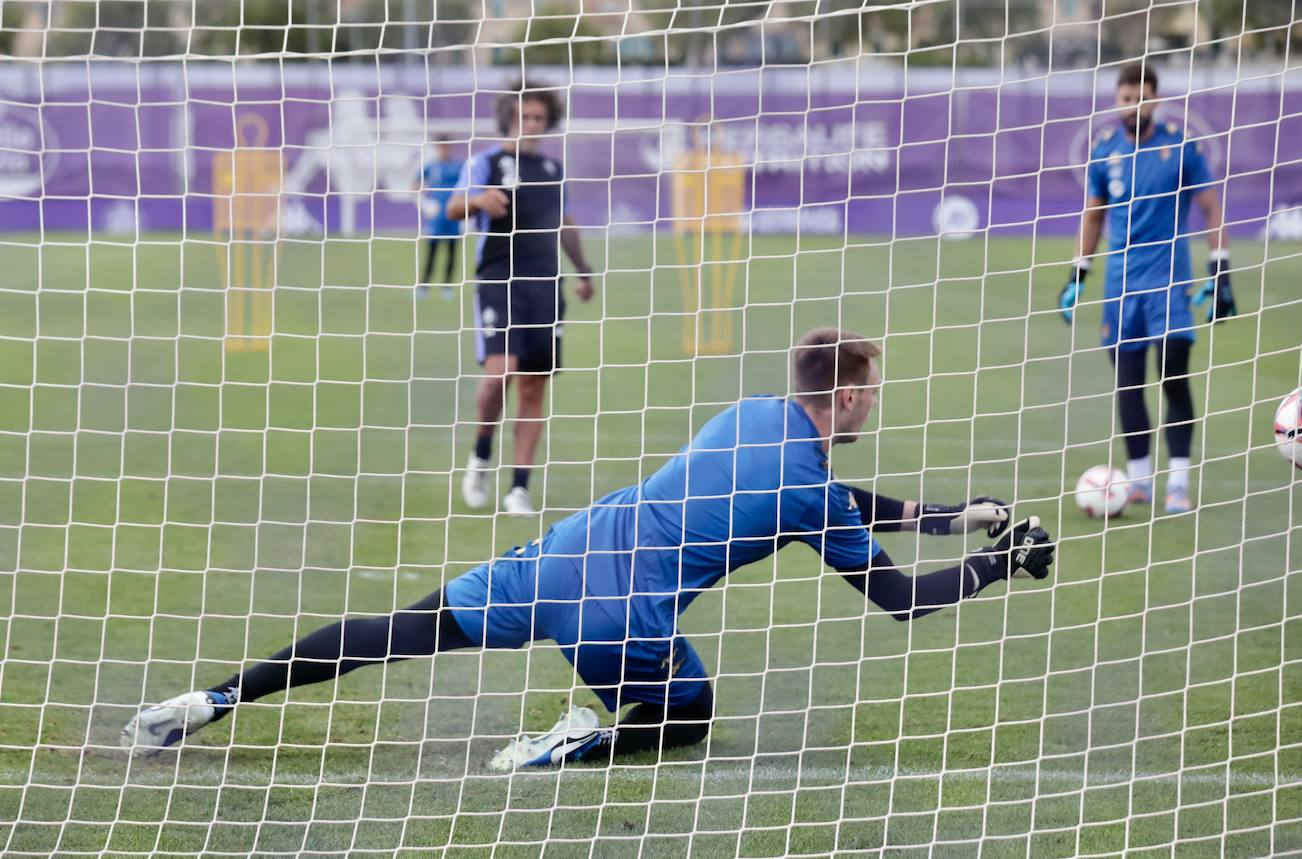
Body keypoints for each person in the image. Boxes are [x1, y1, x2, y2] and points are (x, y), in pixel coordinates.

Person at [121, 329, 1056, 770]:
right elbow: (899, 601)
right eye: (873, 392)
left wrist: (951, 514)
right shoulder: (808, 485)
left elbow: (829, 500)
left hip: (568, 550)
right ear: (848, 399)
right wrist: (999, 559)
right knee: (687, 716)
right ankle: (579, 737)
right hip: (620, 617)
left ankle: (211, 699)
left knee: (396, 630)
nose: (874, 402)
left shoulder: (753, 415)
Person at [1058, 62, 1235, 514]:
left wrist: (1220, 267)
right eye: (1126, 98)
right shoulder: (1105, 150)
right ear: (1116, 101)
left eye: (1142, 97)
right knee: (1128, 383)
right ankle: (1139, 481)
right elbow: (1094, 215)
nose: (1134, 105)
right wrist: (1079, 271)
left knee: (1174, 375)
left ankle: (1178, 481)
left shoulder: (1180, 146)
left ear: (1155, 100)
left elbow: (1211, 207)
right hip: (1121, 287)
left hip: (1170, 283)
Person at [446, 82, 595, 516]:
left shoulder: (553, 169)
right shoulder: (485, 162)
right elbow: (452, 207)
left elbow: (564, 224)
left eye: (538, 118)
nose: (530, 124)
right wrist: (477, 200)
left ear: (548, 122)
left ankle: (519, 488)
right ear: (509, 117)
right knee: (500, 373)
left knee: (533, 387)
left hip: (545, 283)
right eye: (523, 116)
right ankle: (480, 455)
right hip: (497, 276)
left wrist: (583, 271)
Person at [416, 135, 463, 299]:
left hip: (454, 217)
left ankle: (447, 287)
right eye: (441, 147)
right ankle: (423, 287)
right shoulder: (431, 166)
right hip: (436, 219)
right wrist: (424, 203)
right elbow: (415, 184)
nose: (444, 150)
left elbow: (468, 185)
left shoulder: (459, 166)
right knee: (431, 254)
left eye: (446, 146)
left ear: (450, 148)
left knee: (451, 253)